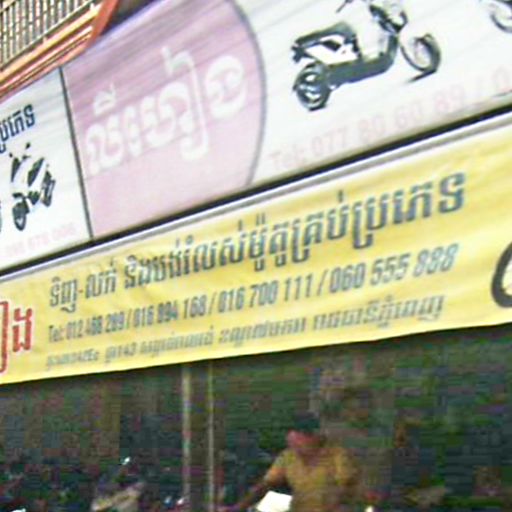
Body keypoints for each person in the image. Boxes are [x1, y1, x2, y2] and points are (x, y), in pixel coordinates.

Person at [218, 413, 359, 512]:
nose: (294, 446)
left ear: (313, 437)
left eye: (298, 440)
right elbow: (266, 485)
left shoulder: (338, 456)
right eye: (291, 441)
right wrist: (238, 508)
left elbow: (346, 488)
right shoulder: (288, 456)